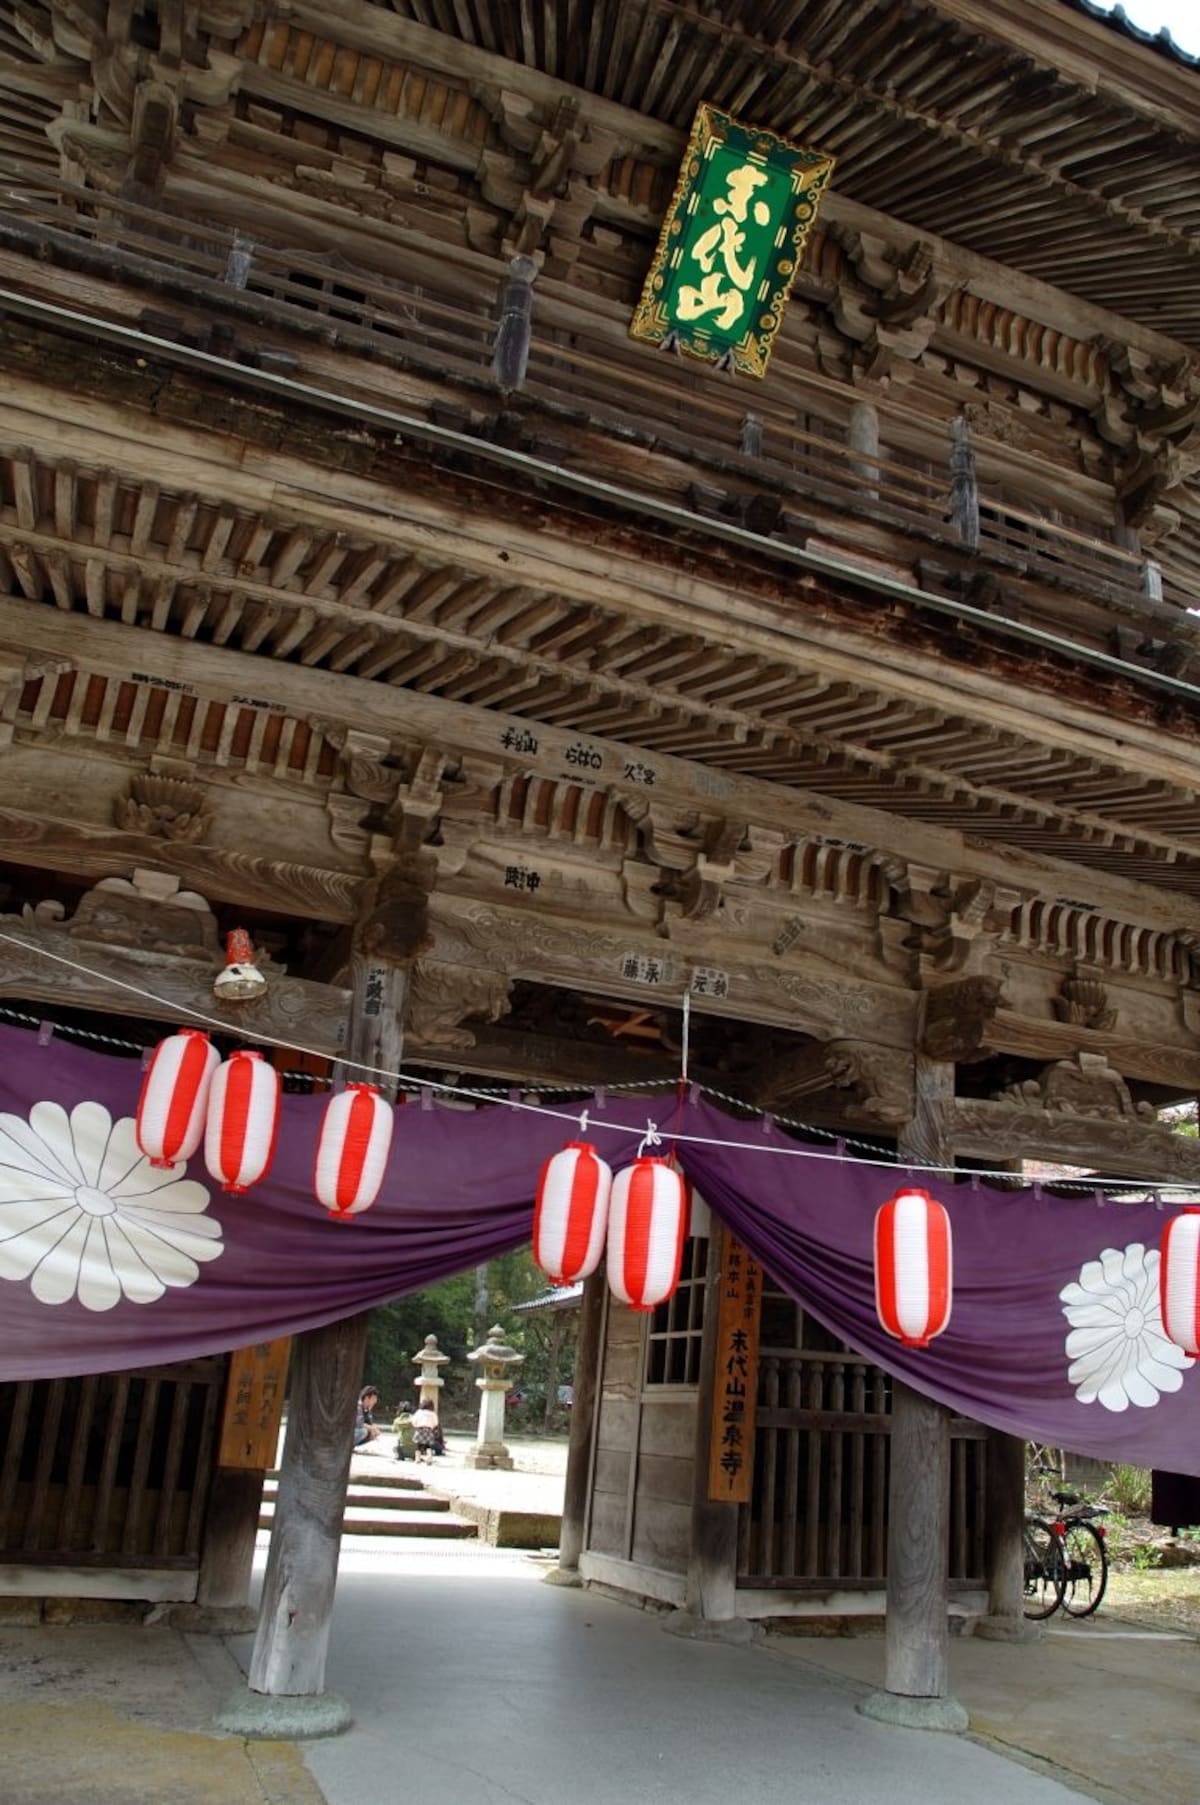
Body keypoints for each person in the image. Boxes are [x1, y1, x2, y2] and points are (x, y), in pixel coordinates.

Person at [411, 1400, 439, 1465]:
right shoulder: (433, 1414)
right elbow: (436, 1423)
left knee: (418, 1445)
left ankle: (417, 1459)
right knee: (428, 1446)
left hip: (419, 1429)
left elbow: (413, 1421)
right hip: (429, 1430)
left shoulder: (419, 1412)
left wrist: (416, 1426)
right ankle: (429, 1458)